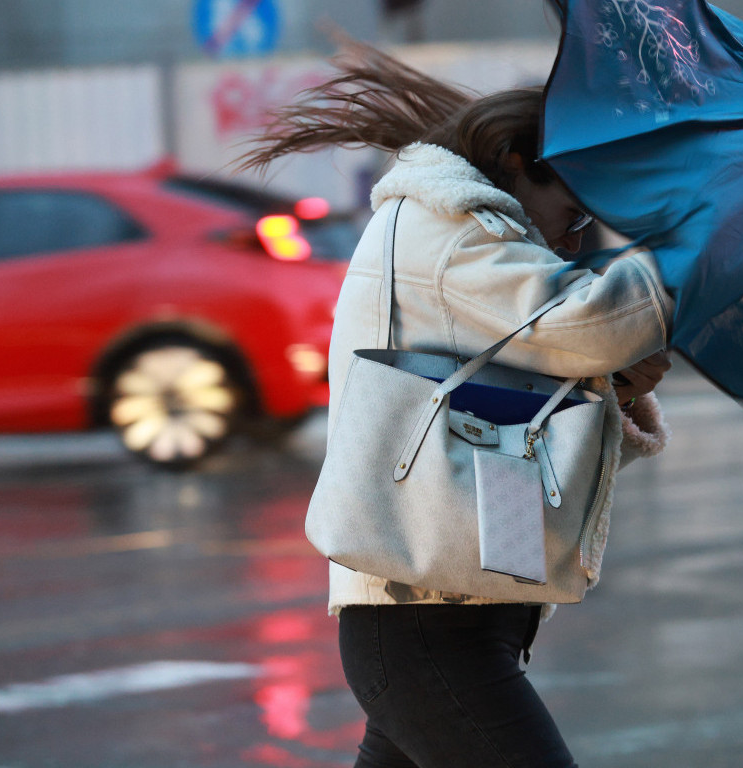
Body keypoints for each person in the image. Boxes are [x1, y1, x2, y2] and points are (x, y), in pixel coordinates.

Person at [237, 41, 674, 768]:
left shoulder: (469, 234)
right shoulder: (450, 230)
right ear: (512, 164)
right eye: (570, 216)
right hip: (427, 626)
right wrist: (691, 255)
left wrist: (619, 386)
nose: (571, 242)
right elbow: (586, 325)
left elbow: (510, 398)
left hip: (443, 617)